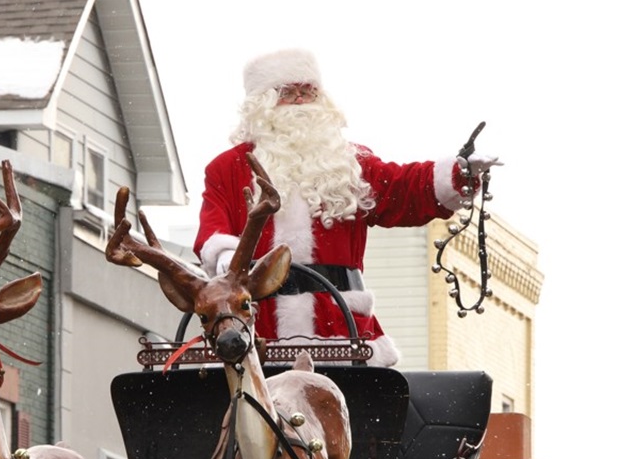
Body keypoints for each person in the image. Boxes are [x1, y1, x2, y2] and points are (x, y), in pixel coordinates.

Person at [194, 48, 501, 367]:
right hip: (260, 330)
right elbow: (213, 229)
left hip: (340, 326)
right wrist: (229, 261)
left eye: (308, 91)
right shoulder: (227, 169)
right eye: (288, 93)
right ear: (262, 104)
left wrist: (458, 174)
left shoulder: (348, 163)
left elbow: (401, 188)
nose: (301, 101)